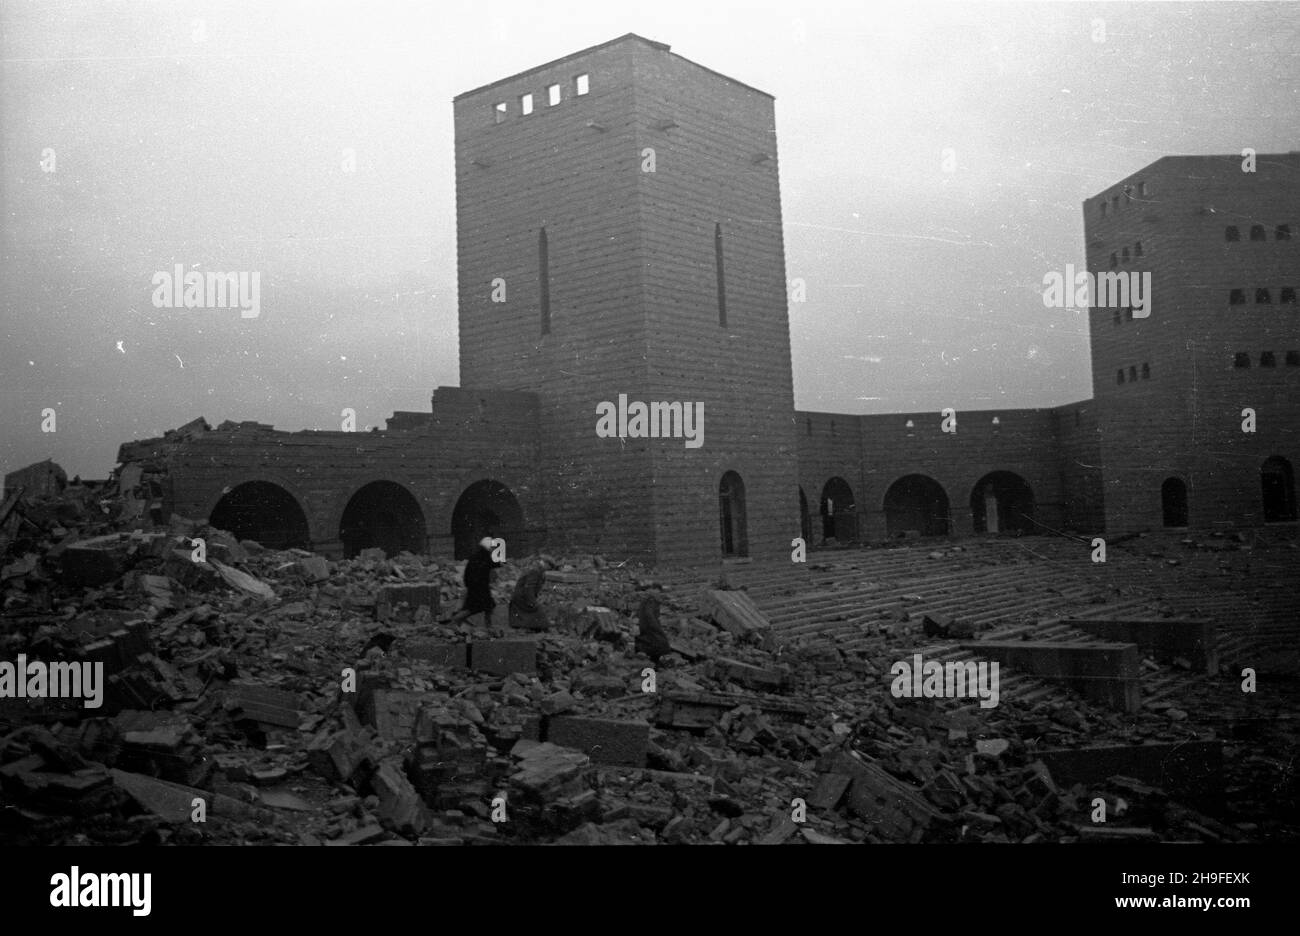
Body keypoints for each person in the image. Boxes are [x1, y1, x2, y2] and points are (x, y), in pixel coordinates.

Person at [450, 537, 502, 626]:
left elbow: (468, 573)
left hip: (475, 587)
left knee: (486, 606)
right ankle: (456, 619)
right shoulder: (484, 556)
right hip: (480, 588)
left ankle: (488, 625)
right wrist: (500, 564)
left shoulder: (476, 556)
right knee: (475, 608)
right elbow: (491, 564)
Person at [508, 564, 549, 630]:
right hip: (522, 597)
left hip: (522, 596)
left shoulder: (539, 572)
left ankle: (528, 626)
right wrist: (532, 601)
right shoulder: (535, 572)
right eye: (549, 566)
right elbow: (529, 588)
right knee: (538, 612)